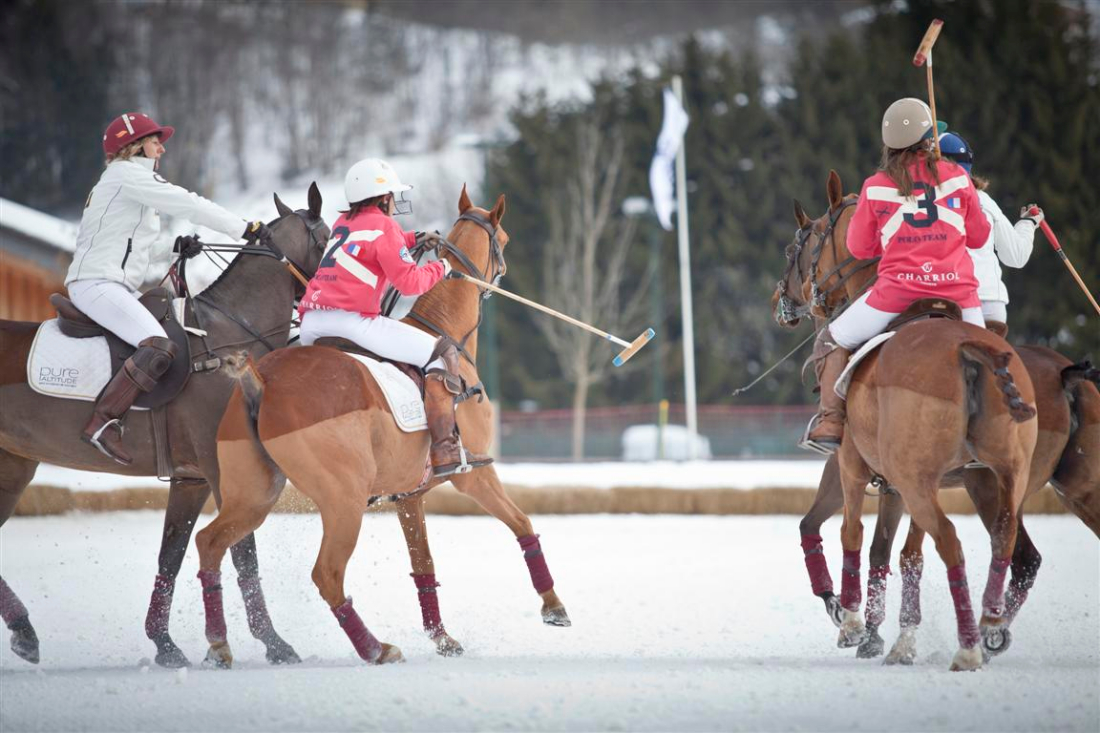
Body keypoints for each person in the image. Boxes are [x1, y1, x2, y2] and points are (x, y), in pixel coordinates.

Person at [67, 112, 271, 465]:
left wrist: (173, 246)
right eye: (154, 140)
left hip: (112, 283)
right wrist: (242, 228)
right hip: (96, 284)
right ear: (133, 146)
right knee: (159, 344)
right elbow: (188, 203)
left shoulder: (127, 183)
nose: (161, 148)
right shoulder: (126, 175)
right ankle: (103, 423)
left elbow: (137, 251)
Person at [803, 98, 992, 454]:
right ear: (928, 140)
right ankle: (997, 426)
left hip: (897, 295)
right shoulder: (956, 178)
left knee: (830, 338)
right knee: (995, 360)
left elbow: (859, 247)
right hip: (959, 294)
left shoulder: (876, 186)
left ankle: (830, 420)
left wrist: (890, 238)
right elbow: (979, 236)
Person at [297, 158, 492, 478]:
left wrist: (414, 239)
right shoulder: (385, 227)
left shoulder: (344, 223)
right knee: (443, 353)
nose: (393, 201)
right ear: (383, 197)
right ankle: (444, 448)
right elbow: (410, 282)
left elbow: (374, 244)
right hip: (353, 324)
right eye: (391, 195)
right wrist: (442, 267)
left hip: (311, 325)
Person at [937, 130, 1043, 337]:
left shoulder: (920, 200)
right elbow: (1016, 256)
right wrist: (1028, 222)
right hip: (989, 303)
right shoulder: (983, 200)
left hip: (943, 300)